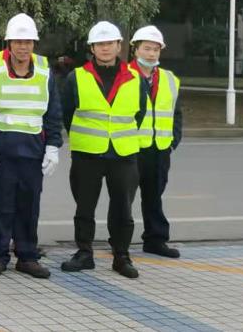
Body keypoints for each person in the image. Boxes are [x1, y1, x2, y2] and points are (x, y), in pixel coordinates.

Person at [0, 13, 62, 278]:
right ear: (9, 43)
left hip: (34, 152)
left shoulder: (45, 73)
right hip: (2, 152)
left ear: (34, 44)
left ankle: (27, 256)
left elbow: (53, 112)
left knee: (29, 207)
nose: (23, 47)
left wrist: (53, 146)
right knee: (0, 206)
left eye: (28, 42)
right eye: (18, 42)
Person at [61, 21, 145, 279]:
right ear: (92, 48)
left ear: (119, 46)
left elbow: (139, 113)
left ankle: (122, 256)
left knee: (123, 208)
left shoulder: (135, 78)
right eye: (99, 44)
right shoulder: (77, 77)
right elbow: (67, 113)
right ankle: (84, 253)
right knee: (84, 207)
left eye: (109, 43)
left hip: (123, 153)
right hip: (88, 153)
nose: (105, 48)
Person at [130, 25, 182, 258]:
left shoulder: (170, 79)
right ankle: (119, 242)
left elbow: (176, 113)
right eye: (147, 48)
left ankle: (155, 240)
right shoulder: (124, 75)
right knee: (123, 199)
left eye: (156, 49)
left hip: (160, 149)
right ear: (135, 49)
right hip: (131, 148)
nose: (151, 54)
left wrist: (173, 141)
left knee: (154, 197)